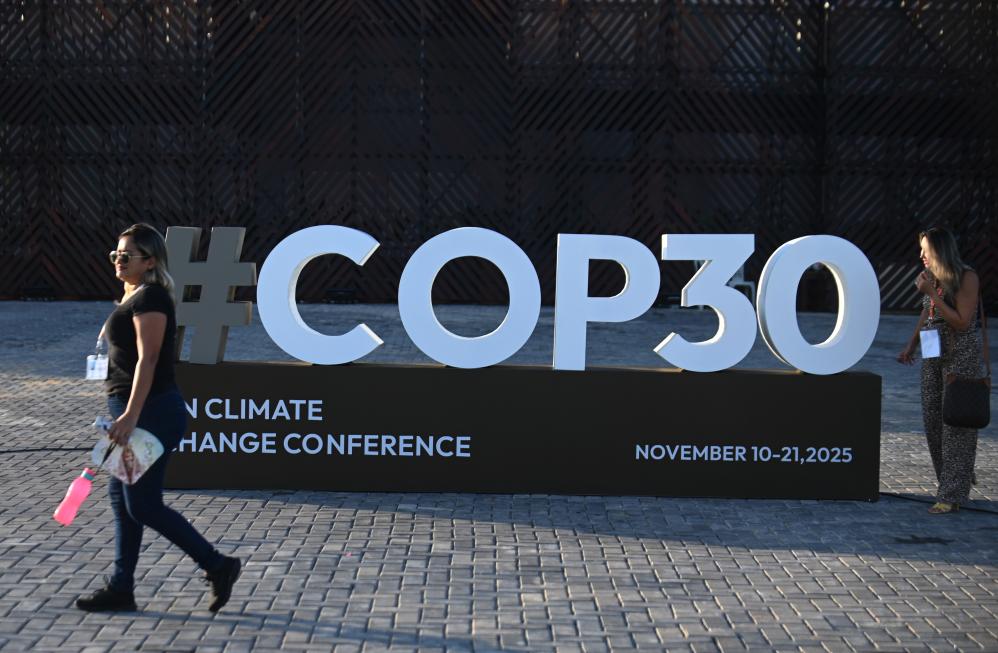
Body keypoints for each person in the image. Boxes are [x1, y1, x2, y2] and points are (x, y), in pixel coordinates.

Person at [75, 224, 241, 612]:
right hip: (136, 410)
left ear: (150, 261)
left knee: (143, 505)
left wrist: (130, 415)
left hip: (152, 412)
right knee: (122, 499)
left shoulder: (151, 298)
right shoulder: (134, 294)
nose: (118, 260)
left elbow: (148, 360)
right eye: (115, 254)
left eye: (126, 255)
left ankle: (218, 565)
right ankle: (122, 588)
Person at [897, 227, 983, 514]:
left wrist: (932, 292)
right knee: (933, 421)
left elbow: (962, 321)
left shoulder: (966, 277)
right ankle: (955, 476)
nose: (921, 255)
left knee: (955, 424)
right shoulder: (931, 276)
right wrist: (911, 345)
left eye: (926, 250)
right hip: (932, 353)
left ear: (941, 250)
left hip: (960, 355)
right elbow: (927, 311)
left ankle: (951, 494)